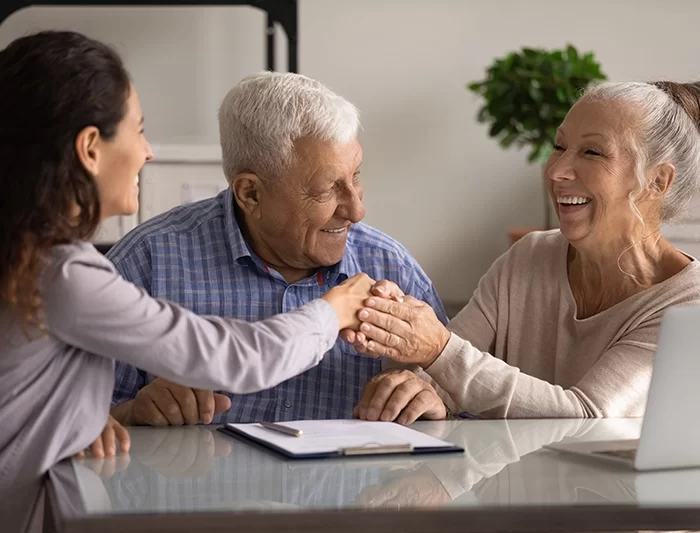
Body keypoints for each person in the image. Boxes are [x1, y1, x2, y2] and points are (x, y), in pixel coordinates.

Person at [0, 30, 381, 514]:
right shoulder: (64, 275)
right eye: (138, 130)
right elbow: (235, 358)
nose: (148, 151)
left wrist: (82, 418)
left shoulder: (29, 260)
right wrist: (334, 310)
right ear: (91, 148)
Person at [106, 71, 448, 427]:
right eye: (325, 190)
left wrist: (437, 406)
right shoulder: (146, 264)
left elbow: (468, 416)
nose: (356, 210)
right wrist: (132, 414)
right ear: (250, 193)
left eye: (356, 176)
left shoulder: (392, 268)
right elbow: (70, 426)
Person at [348, 80, 700, 419]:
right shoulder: (529, 256)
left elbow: (588, 417)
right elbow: (447, 375)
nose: (558, 170)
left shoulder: (688, 304)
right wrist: (419, 391)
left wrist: (438, 350)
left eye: (592, 152)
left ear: (657, 182)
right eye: (559, 147)